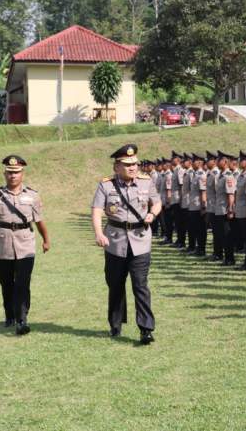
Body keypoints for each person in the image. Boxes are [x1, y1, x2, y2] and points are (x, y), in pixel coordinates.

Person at [91, 144, 161, 345]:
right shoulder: (106, 186)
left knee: (140, 285)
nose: (133, 167)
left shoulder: (146, 183)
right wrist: (98, 233)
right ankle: (115, 323)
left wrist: (152, 213)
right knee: (115, 284)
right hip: (115, 241)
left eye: (135, 164)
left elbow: (157, 202)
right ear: (116, 167)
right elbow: (97, 210)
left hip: (140, 240)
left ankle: (146, 329)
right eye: (127, 164)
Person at [0, 155, 50, 335]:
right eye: (10, 172)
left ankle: (22, 320)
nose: (13, 175)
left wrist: (46, 239)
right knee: (6, 283)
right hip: (3, 245)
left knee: (22, 282)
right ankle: (9, 315)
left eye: (17, 172)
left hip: (26, 244)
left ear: (22, 173)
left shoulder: (32, 195)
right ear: (5, 173)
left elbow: (39, 220)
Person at [215, 151, 238, 266]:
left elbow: (231, 195)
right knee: (221, 235)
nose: (216, 162)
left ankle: (230, 258)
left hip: (225, 210)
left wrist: (230, 209)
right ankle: (226, 257)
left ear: (224, 162)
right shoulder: (221, 175)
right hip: (219, 209)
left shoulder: (228, 176)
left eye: (218, 160)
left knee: (227, 235)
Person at [188, 153, 208, 256]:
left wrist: (203, 207)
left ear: (200, 162)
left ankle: (201, 249)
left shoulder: (201, 175)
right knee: (195, 228)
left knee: (200, 229)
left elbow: (203, 192)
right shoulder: (195, 174)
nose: (192, 162)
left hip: (198, 206)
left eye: (194, 161)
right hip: (193, 205)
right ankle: (197, 248)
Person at [206, 151, 223, 261]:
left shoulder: (216, 173)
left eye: (208, 160)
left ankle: (218, 253)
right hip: (211, 206)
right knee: (215, 231)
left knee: (218, 232)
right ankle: (216, 252)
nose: (206, 162)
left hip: (215, 207)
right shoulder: (211, 173)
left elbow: (218, 192)